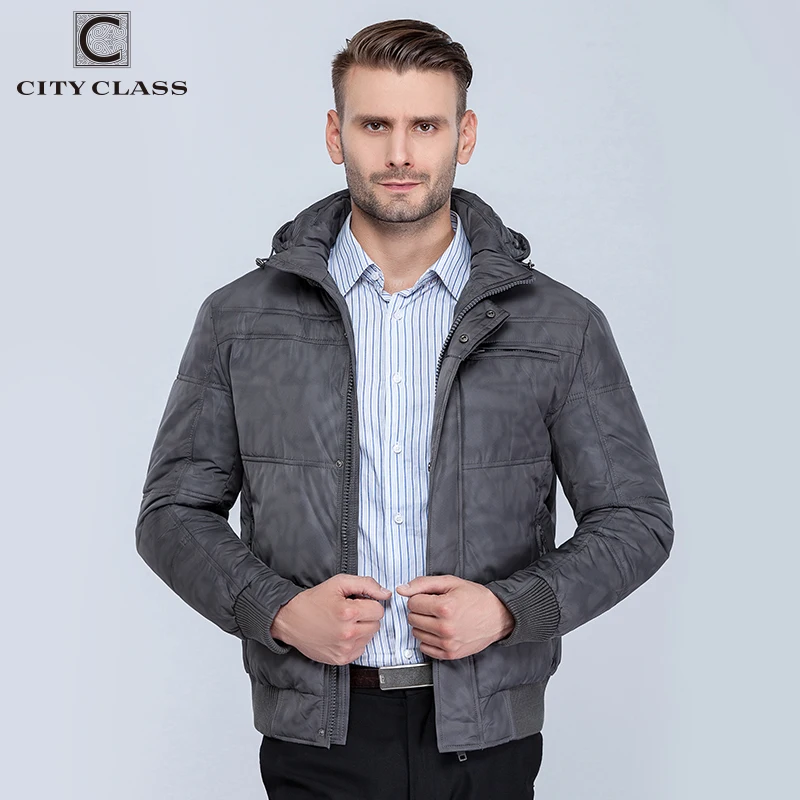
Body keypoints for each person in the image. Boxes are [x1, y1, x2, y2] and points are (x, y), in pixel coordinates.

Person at [135, 18, 674, 800]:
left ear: (465, 134)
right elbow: (171, 514)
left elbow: (635, 519)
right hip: (318, 734)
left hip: (486, 737)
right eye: (374, 125)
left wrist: (509, 609)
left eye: (425, 125)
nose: (399, 154)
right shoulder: (241, 319)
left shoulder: (560, 326)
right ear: (336, 134)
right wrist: (278, 612)